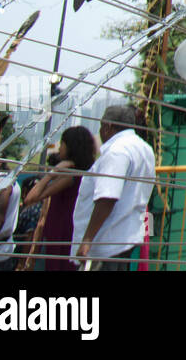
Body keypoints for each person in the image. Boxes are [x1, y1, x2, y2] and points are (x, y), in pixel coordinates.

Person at [71, 105, 155, 271]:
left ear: (107, 126)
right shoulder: (144, 148)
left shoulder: (117, 152)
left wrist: (87, 241)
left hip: (106, 241)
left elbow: (107, 198)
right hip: (124, 237)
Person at [24, 125, 98, 271]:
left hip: (60, 237)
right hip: (67, 235)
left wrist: (53, 172)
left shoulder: (70, 176)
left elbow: (31, 198)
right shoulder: (86, 173)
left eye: (62, 144)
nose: (59, 148)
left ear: (71, 147)